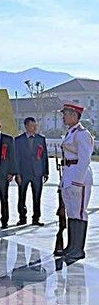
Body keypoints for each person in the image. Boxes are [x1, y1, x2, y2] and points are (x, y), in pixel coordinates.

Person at [57, 103, 92, 261]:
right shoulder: (71, 132)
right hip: (69, 173)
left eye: (65, 113)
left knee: (79, 212)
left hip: (80, 175)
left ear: (74, 115)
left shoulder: (82, 134)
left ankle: (78, 249)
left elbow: (84, 160)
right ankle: (71, 246)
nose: (63, 116)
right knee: (71, 212)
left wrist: (77, 182)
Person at [14, 117, 48, 226]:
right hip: (23, 173)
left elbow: (44, 156)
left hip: (37, 173)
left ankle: (36, 218)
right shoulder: (18, 140)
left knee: (37, 196)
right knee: (22, 196)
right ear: (26, 126)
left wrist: (46, 172)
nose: (35, 127)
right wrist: (17, 174)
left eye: (35, 125)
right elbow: (16, 158)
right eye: (32, 125)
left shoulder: (40, 139)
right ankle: (22, 218)